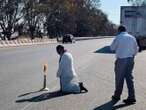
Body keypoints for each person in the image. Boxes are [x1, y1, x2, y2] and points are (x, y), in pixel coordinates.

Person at [110, 25, 139, 104]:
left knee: (119, 78)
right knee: (129, 78)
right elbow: (136, 49)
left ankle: (117, 96)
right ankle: (132, 97)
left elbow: (112, 48)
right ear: (126, 30)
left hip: (121, 60)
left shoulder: (118, 37)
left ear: (119, 31)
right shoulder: (132, 37)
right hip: (130, 59)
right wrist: (132, 55)